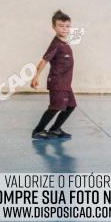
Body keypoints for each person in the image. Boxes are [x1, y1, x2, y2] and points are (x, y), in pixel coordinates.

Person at [30, 10, 76, 140]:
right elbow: (44, 60)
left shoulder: (64, 43)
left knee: (71, 106)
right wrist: (36, 77)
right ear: (54, 27)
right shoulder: (56, 44)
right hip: (58, 82)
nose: (64, 29)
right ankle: (37, 131)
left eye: (67, 26)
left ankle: (55, 129)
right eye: (61, 26)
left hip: (66, 83)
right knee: (55, 107)